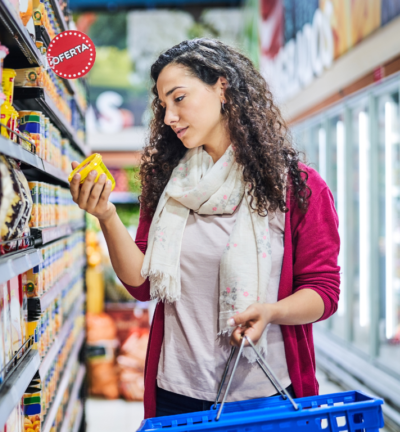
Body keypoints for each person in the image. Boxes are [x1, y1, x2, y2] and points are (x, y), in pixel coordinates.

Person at [69, 39, 340, 418]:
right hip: (176, 393)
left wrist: (271, 312)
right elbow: (143, 283)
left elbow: (323, 292)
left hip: (267, 396)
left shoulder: (299, 188)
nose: (169, 117)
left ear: (222, 86)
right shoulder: (170, 188)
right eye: (163, 105)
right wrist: (106, 215)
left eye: (179, 98)